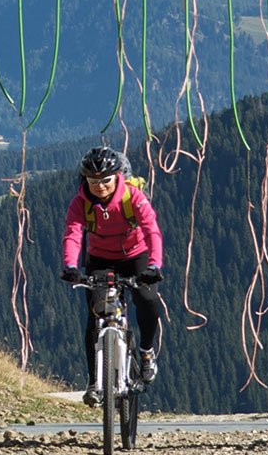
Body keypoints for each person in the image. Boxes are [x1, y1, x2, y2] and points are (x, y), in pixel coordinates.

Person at [61, 146, 165, 407]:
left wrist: (154, 266)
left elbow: (152, 231)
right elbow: (73, 234)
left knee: (147, 299)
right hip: (100, 259)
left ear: (117, 177)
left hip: (136, 256)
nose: (99, 186)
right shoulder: (80, 203)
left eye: (105, 181)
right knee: (96, 315)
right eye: (93, 181)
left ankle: (146, 352)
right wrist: (71, 266)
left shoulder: (133, 196)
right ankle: (94, 382)